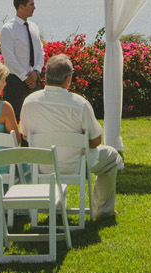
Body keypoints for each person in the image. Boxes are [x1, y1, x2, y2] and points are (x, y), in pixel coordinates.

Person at [20, 53, 123, 221]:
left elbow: (25, 135)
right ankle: (103, 212)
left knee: (59, 155)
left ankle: (59, 210)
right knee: (111, 156)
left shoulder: (29, 101)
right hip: (74, 165)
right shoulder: (79, 103)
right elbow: (96, 140)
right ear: (67, 79)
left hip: (41, 166)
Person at [0, 0, 43, 118]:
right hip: (15, 82)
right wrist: (25, 77)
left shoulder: (34, 27)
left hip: (34, 80)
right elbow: (9, 58)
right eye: (31, 4)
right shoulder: (8, 29)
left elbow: (40, 51)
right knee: (16, 118)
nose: (34, 7)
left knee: (34, 118)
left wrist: (36, 72)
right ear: (21, 6)